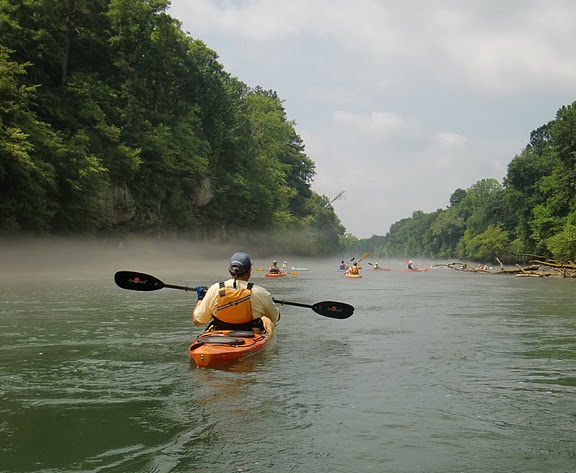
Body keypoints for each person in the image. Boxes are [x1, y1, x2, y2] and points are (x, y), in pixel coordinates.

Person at [193, 252, 279, 332]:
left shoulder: (214, 289)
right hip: (251, 335)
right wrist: (270, 302)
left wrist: (200, 299)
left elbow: (197, 321)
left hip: (220, 334)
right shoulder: (260, 292)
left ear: (230, 270)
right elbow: (274, 318)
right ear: (249, 270)